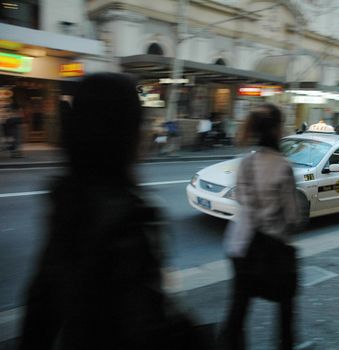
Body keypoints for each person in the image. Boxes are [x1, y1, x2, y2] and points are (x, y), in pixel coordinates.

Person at [18, 73, 206, 350]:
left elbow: (41, 304)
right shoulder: (130, 215)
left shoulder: (67, 198)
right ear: (126, 132)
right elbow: (145, 323)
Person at [220, 104, 305, 350]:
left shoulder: (246, 163)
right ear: (278, 130)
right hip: (272, 251)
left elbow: (241, 200)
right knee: (286, 306)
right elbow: (292, 217)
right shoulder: (283, 166)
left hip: (240, 246)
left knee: (238, 309)